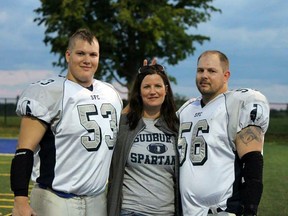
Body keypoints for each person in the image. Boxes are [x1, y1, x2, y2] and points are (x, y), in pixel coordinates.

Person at [10, 28, 123, 216]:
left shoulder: (110, 93)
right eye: (81, 53)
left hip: (97, 199)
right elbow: (24, 150)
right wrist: (20, 200)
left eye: (93, 54)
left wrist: (147, 77)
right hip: (55, 198)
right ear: (68, 55)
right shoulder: (49, 92)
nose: (87, 60)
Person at [177, 50, 270, 216]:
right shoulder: (186, 109)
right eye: (200, 70)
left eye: (211, 71)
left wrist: (249, 209)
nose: (204, 75)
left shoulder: (236, 103)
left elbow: (253, 163)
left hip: (223, 210)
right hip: (189, 210)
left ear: (226, 75)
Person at [107, 64, 181, 216]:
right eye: (146, 86)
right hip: (131, 210)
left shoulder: (177, 127)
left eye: (158, 86)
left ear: (166, 90)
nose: (152, 91)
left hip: (167, 212)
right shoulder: (124, 125)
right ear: (139, 92)